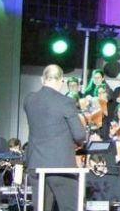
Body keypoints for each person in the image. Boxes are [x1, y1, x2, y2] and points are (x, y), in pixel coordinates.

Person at [24, 64, 87, 211]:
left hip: (36, 164)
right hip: (60, 166)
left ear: (42, 79)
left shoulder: (29, 100)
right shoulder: (65, 101)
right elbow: (79, 134)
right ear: (61, 80)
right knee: (70, 208)